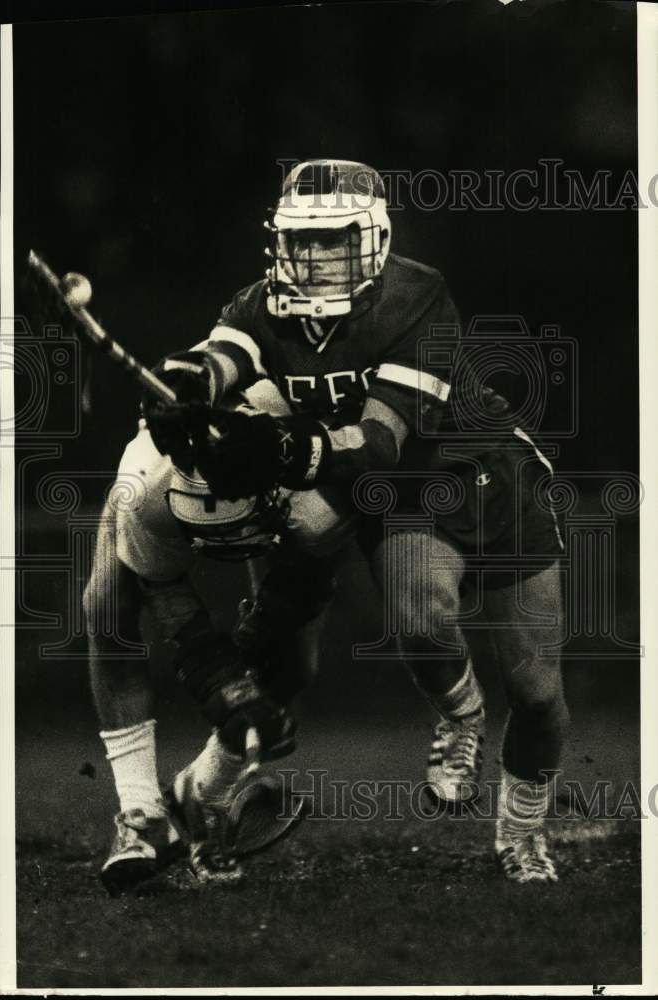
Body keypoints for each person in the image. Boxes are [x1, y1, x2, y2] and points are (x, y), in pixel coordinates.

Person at [86, 159, 567, 891]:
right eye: (299, 241)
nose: (311, 257)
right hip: (395, 488)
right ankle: (463, 726)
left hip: (478, 464)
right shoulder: (261, 303)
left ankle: (522, 829)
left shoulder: (416, 294)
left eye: (332, 239)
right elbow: (223, 355)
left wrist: (285, 446)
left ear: (372, 238)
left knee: (535, 689)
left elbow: (379, 439)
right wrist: (189, 381)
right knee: (413, 614)